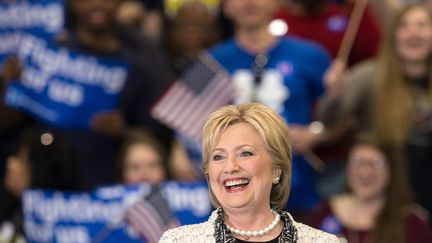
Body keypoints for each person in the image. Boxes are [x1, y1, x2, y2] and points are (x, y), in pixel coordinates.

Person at [159, 103, 339, 242]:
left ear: (277, 168)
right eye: (218, 157)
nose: (230, 167)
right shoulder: (177, 241)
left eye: (245, 153)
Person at [331, 4, 432, 217]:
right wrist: (334, 93)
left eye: (422, 25)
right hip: (384, 201)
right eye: (404, 26)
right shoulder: (369, 77)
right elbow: (329, 119)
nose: (413, 33)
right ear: (393, 34)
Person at [311, 134, 432, 242]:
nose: (365, 172)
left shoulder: (411, 223)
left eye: (375, 164)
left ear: (392, 169)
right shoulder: (326, 211)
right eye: (356, 162)